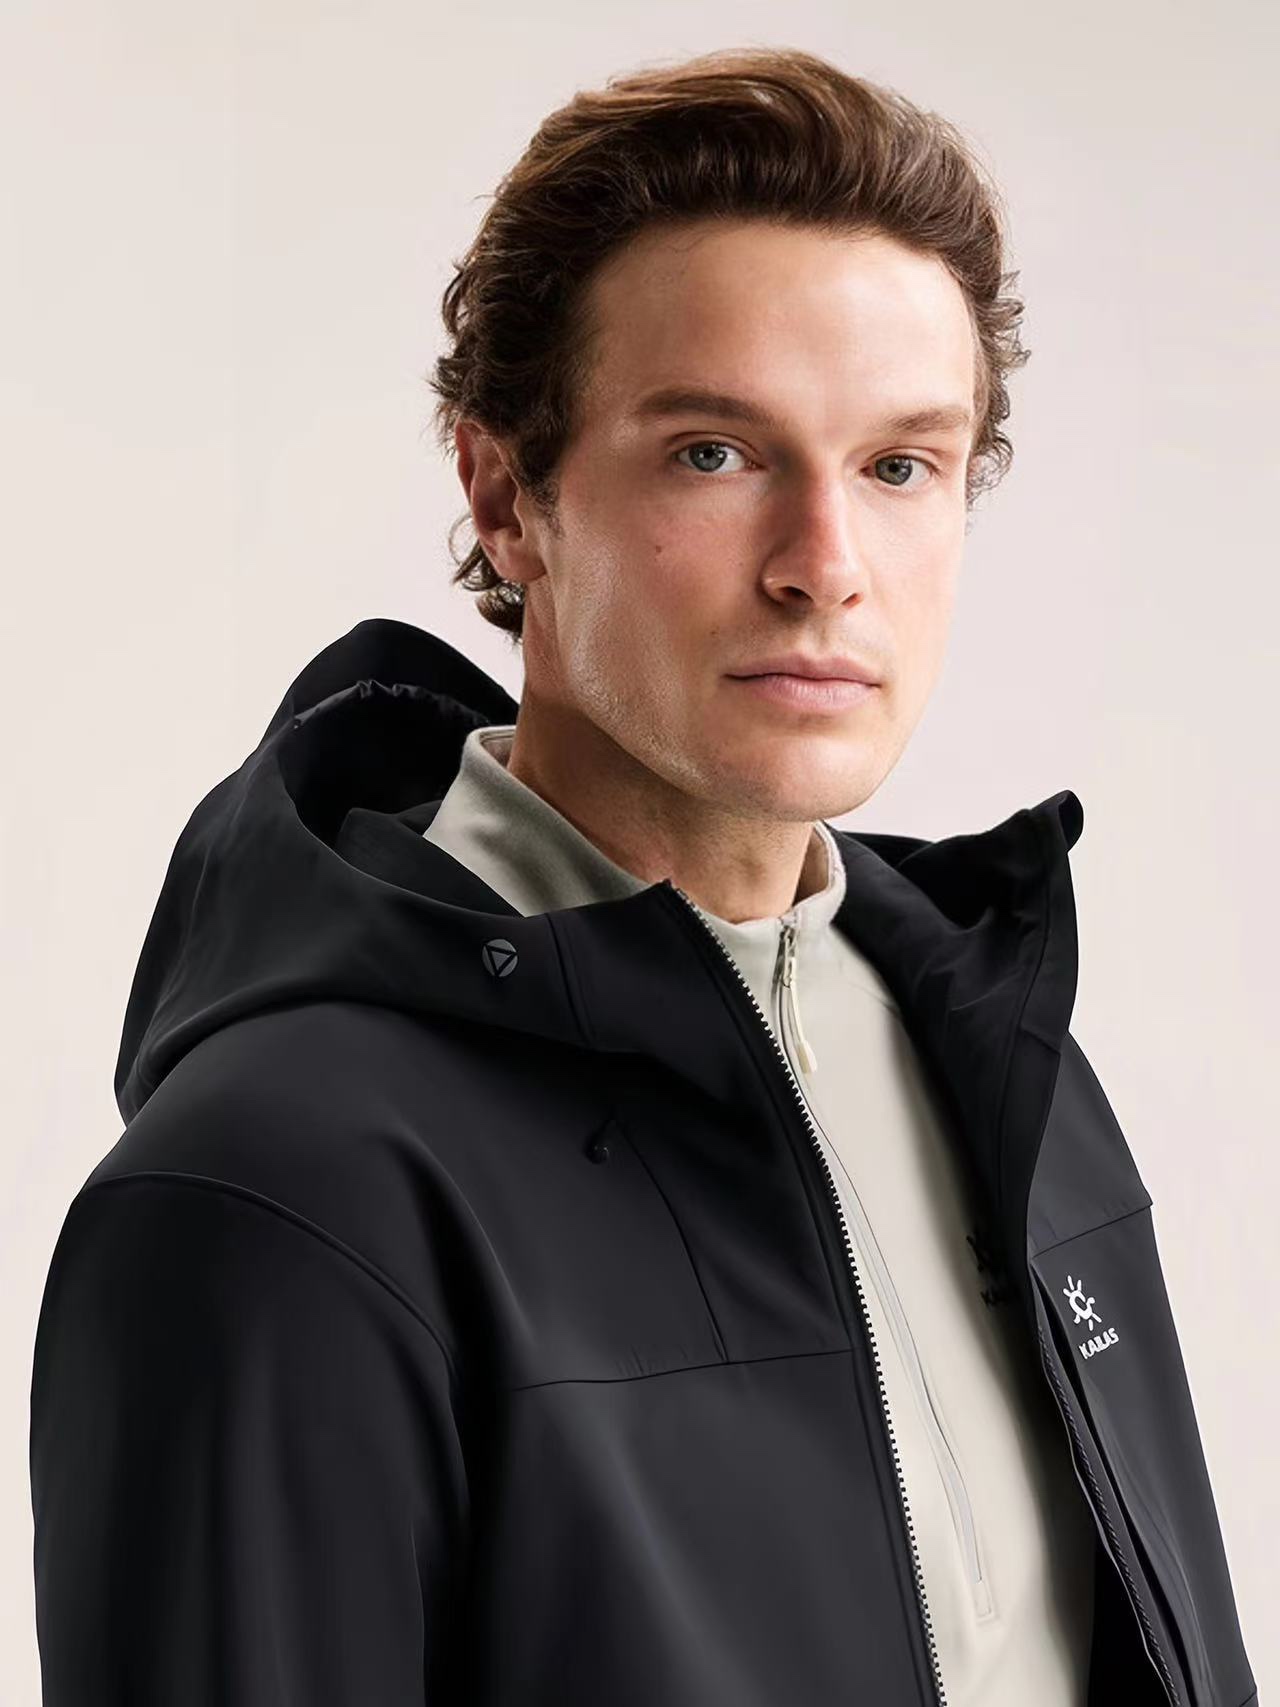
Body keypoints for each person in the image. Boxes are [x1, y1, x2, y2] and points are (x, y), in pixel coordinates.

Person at [29, 45, 1255, 1707]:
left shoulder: (1005, 1072)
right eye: (714, 453)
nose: (825, 567)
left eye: (899, 466)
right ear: (505, 496)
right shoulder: (280, 1187)